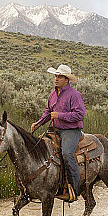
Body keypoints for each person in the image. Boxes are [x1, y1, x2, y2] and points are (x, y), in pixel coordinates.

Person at [30, 64, 85, 202]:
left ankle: (74, 190)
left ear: (66, 79)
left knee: (67, 154)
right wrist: (38, 123)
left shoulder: (74, 95)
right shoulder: (52, 94)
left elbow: (79, 115)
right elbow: (48, 112)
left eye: (60, 76)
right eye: (55, 76)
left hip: (71, 130)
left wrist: (60, 115)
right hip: (55, 129)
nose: (56, 79)